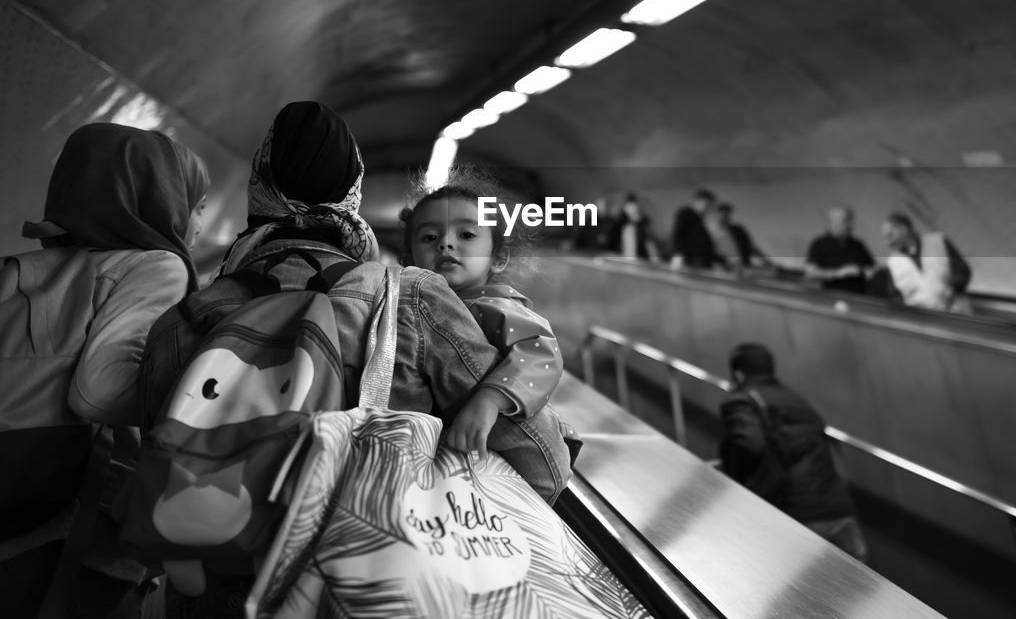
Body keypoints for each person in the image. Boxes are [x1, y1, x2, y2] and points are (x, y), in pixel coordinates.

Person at [135, 102, 554, 616]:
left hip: (216, 582)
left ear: (259, 187)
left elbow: (151, 442)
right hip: (365, 582)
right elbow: (531, 456)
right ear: (353, 194)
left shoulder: (191, 316)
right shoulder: (412, 298)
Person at [0, 123, 208, 619]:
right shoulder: (158, 265)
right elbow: (96, 392)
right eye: (196, 204)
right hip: (69, 510)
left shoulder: (22, 269)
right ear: (158, 198)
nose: (198, 224)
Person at [400, 167, 576, 503]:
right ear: (409, 259)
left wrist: (490, 400)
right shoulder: (421, 308)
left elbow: (539, 353)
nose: (446, 243)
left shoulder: (495, 306)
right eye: (429, 238)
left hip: (512, 443)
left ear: (497, 258)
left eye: (466, 235)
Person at [718, 343, 867, 561]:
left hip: (797, 519)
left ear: (738, 375)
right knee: (851, 592)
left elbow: (748, 443)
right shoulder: (799, 402)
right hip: (842, 517)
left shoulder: (743, 401)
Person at [882, 212, 972, 312]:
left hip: (952, 314)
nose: (888, 243)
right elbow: (895, 296)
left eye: (890, 236)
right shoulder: (893, 262)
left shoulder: (938, 241)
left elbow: (963, 272)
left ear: (903, 230)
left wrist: (951, 288)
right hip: (920, 320)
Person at [803, 206, 876, 294]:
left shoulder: (858, 245)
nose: (850, 225)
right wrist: (839, 273)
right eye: (845, 220)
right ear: (833, 222)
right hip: (831, 298)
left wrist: (864, 271)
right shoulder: (819, 244)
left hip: (859, 299)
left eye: (851, 220)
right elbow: (811, 273)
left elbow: (872, 267)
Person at [709, 202, 771, 271]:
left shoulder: (738, 230)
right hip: (720, 268)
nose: (724, 218)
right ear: (715, 215)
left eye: (727, 216)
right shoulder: (709, 232)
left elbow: (750, 247)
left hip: (742, 268)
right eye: (722, 215)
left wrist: (765, 260)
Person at [670, 188, 720, 269]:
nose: (708, 209)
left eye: (710, 206)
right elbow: (678, 234)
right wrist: (678, 255)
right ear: (698, 201)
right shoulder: (685, 213)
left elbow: (704, 242)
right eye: (707, 205)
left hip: (702, 261)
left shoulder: (700, 219)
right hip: (690, 260)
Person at [609, 192, 661, 261]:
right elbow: (614, 241)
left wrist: (655, 258)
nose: (631, 208)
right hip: (624, 258)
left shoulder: (643, 223)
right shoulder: (620, 222)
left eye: (633, 205)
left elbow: (649, 243)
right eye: (629, 205)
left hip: (641, 258)